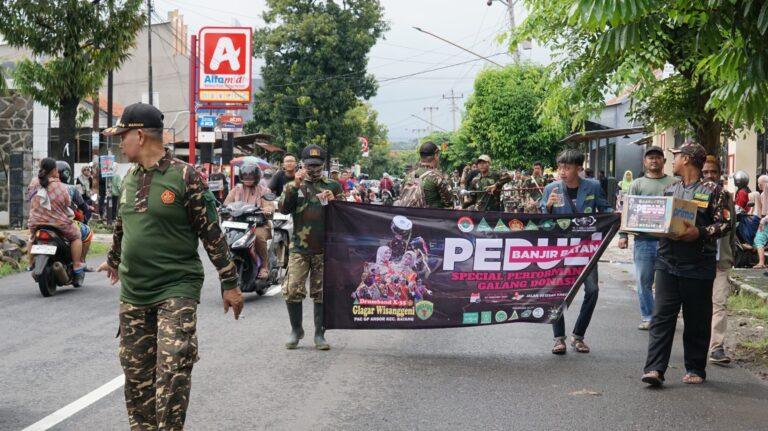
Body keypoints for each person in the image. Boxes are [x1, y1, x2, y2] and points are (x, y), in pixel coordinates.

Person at [95, 102, 243, 429]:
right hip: (134, 293)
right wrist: (114, 260)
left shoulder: (185, 176)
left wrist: (230, 282)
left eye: (122, 136)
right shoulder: (130, 178)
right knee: (137, 378)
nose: (120, 143)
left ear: (139, 135)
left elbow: (211, 231)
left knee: (174, 368)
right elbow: (122, 224)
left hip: (176, 289)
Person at [641, 143, 731, 387]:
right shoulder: (670, 189)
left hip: (698, 265)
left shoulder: (714, 190)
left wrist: (699, 233)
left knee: (696, 319)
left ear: (688, 160)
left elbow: (725, 224)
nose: (673, 160)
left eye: (677, 156)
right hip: (667, 261)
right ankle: (655, 369)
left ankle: (695, 368)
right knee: (661, 317)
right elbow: (660, 219)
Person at [540, 149, 611, 355]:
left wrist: (617, 216)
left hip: (586, 247)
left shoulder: (593, 187)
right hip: (560, 249)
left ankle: (578, 335)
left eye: (567, 168)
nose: (562, 171)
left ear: (578, 168)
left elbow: (605, 210)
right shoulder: (551, 188)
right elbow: (542, 218)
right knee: (557, 291)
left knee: (592, 291)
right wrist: (550, 207)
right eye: (560, 167)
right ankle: (558, 338)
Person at [279, 144, 343, 350]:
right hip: (299, 246)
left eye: (317, 165)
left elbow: (344, 216)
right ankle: (296, 329)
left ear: (323, 165)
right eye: (309, 165)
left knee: (321, 292)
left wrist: (335, 202)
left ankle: (319, 334)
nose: (313, 169)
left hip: (324, 248)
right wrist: (295, 186)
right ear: (302, 165)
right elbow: (283, 208)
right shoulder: (292, 186)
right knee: (292, 289)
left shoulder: (333, 186)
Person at [618, 146, 677, 330]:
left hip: (669, 241)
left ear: (664, 161)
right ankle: (648, 316)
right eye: (650, 157)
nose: (654, 160)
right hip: (643, 241)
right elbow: (627, 210)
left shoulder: (674, 183)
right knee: (644, 281)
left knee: (667, 282)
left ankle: (664, 317)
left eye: (658, 158)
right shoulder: (637, 184)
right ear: (645, 161)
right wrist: (623, 235)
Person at [702, 156, 736, 364]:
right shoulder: (692, 195)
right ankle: (699, 343)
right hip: (697, 260)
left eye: (713, 172)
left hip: (720, 260)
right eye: (705, 172)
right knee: (698, 304)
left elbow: (732, 228)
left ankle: (717, 347)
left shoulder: (727, 197)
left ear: (719, 173)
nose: (709, 176)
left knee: (719, 303)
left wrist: (730, 255)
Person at [27, 159, 87, 275]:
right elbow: (67, 202)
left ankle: (30, 264)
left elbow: (29, 197)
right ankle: (76, 265)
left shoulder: (34, 183)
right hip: (59, 224)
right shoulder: (61, 187)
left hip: (36, 223)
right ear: (54, 171)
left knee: (32, 237)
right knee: (76, 236)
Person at [224, 159, 275, 279]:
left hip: (259, 225)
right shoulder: (236, 189)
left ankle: (264, 266)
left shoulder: (264, 190)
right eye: (245, 175)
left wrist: (268, 209)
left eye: (251, 175)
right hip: (238, 225)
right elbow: (226, 204)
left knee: (258, 236)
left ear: (256, 176)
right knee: (225, 239)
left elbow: (269, 205)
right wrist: (223, 209)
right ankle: (226, 268)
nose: (248, 178)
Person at [405, 141, 452, 208]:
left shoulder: (408, 177)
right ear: (435, 155)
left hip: (411, 217)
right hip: (432, 217)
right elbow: (449, 202)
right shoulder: (437, 177)